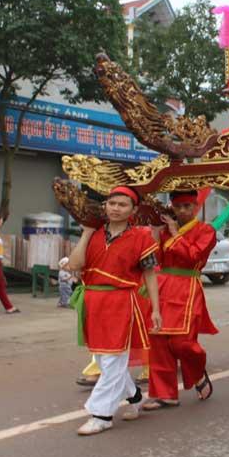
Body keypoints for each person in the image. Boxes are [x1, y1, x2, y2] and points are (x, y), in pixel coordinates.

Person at [65, 186, 159, 436]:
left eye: (122, 205)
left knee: (115, 359)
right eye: (112, 203)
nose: (116, 208)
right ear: (105, 206)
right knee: (104, 360)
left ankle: (101, 415)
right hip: (93, 302)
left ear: (133, 210)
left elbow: (149, 275)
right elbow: (74, 265)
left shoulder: (142, 238)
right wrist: (85, 234)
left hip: (122, 303)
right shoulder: (93, 234)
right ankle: (136, 396)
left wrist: (156, 309)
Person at [144, 190, 218, 411]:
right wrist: (156, 234)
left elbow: (193, 256)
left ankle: (197, 373)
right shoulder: (165, 230)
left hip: (188, 287)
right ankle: (164, 394)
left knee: (182, 342)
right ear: (172, 208)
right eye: (178, 207)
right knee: (157, 340)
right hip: (162, 286)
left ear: (196, 206)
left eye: (188, 206)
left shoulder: (206, 230)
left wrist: (175, 233)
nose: (183, 211)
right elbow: (154, 259)